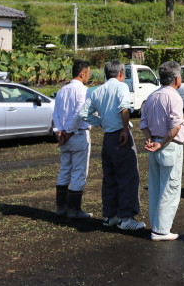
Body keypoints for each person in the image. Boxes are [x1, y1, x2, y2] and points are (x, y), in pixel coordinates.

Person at [75, 60, 145, 230]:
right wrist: (123, 129)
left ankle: (110, 215)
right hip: (120, 135)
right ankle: (126, 218)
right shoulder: (121, 87)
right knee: (128, 177)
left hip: (107, 138)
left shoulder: (97, 91)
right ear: (120, 74)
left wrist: (100, 122)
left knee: (110, 178)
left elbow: (84, 113)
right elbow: (124, 108)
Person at [139, 61, 184, 241]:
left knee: (156, 187)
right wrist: (163, 142)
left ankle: (157, 226)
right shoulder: (173, 96)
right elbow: (175, 126)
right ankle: (161, 230)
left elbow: (143, 123)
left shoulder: (152, 96)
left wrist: (151, 139)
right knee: (170, 187)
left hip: (155, 145)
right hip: (169, 145)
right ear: (176, 78)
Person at [53, 59, 93, 220]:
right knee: (78, 172)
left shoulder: (62, 90)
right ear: (82, 73)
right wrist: (69, 131)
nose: (88, 77)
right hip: (77, 134)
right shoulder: (83, 91)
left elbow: (55, 113)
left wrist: (60, 131)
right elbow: (79, 113)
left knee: (64, 170)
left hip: (64, 135)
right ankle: (74, 209)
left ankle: (61, 207)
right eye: (88, 74)